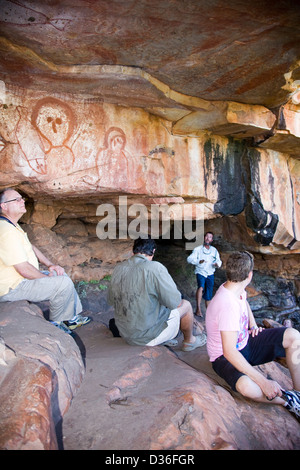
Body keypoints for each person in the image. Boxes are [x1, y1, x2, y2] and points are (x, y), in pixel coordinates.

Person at [206, 251, 300, 418]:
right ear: (249, 275)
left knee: (293, 336)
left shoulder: (235, 287)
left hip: (246, 343)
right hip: (224, 357)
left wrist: (253, 323)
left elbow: (245, 301)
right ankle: (288, 400)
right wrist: (263, 382)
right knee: (246, 387)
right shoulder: (227, 305)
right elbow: (229, 351)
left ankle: (299, 392)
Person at [0, 188, 91, 334]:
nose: (22, 201)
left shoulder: (13, 226)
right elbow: (23, 269)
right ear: (4, 206)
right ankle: (55, 325)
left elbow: (31, 246)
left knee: (61, 275)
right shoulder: (5, 230)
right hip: (12, 287)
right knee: (61, 283)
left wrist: (50, 265)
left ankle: (72, 318)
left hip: (20, 280)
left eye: (21, 198)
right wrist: (46, 279)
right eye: (16, 199)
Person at [108, 237, 206, 351]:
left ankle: (163, 338)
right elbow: (175, 302)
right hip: (145, 337)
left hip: (125, 333)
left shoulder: (118, 268)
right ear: (153, 251)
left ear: (133, 251)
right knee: (186, 305)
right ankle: (190, 341)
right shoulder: (155, 267)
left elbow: (111, 300)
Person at [187, 231, 222, 317]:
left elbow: (219, 261)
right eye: (206, 236)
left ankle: (209, 314)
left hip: (210, 273)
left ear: (211, 240)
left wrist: (217, 264)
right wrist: (199, 261)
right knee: (201, 287)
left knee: (209, 294)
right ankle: (198, 309)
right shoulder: (198, 249)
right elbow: (189, 259)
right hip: (201, 271)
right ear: (204, 238)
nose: (207, 238)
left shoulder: (214, 250)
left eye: (209, 237)